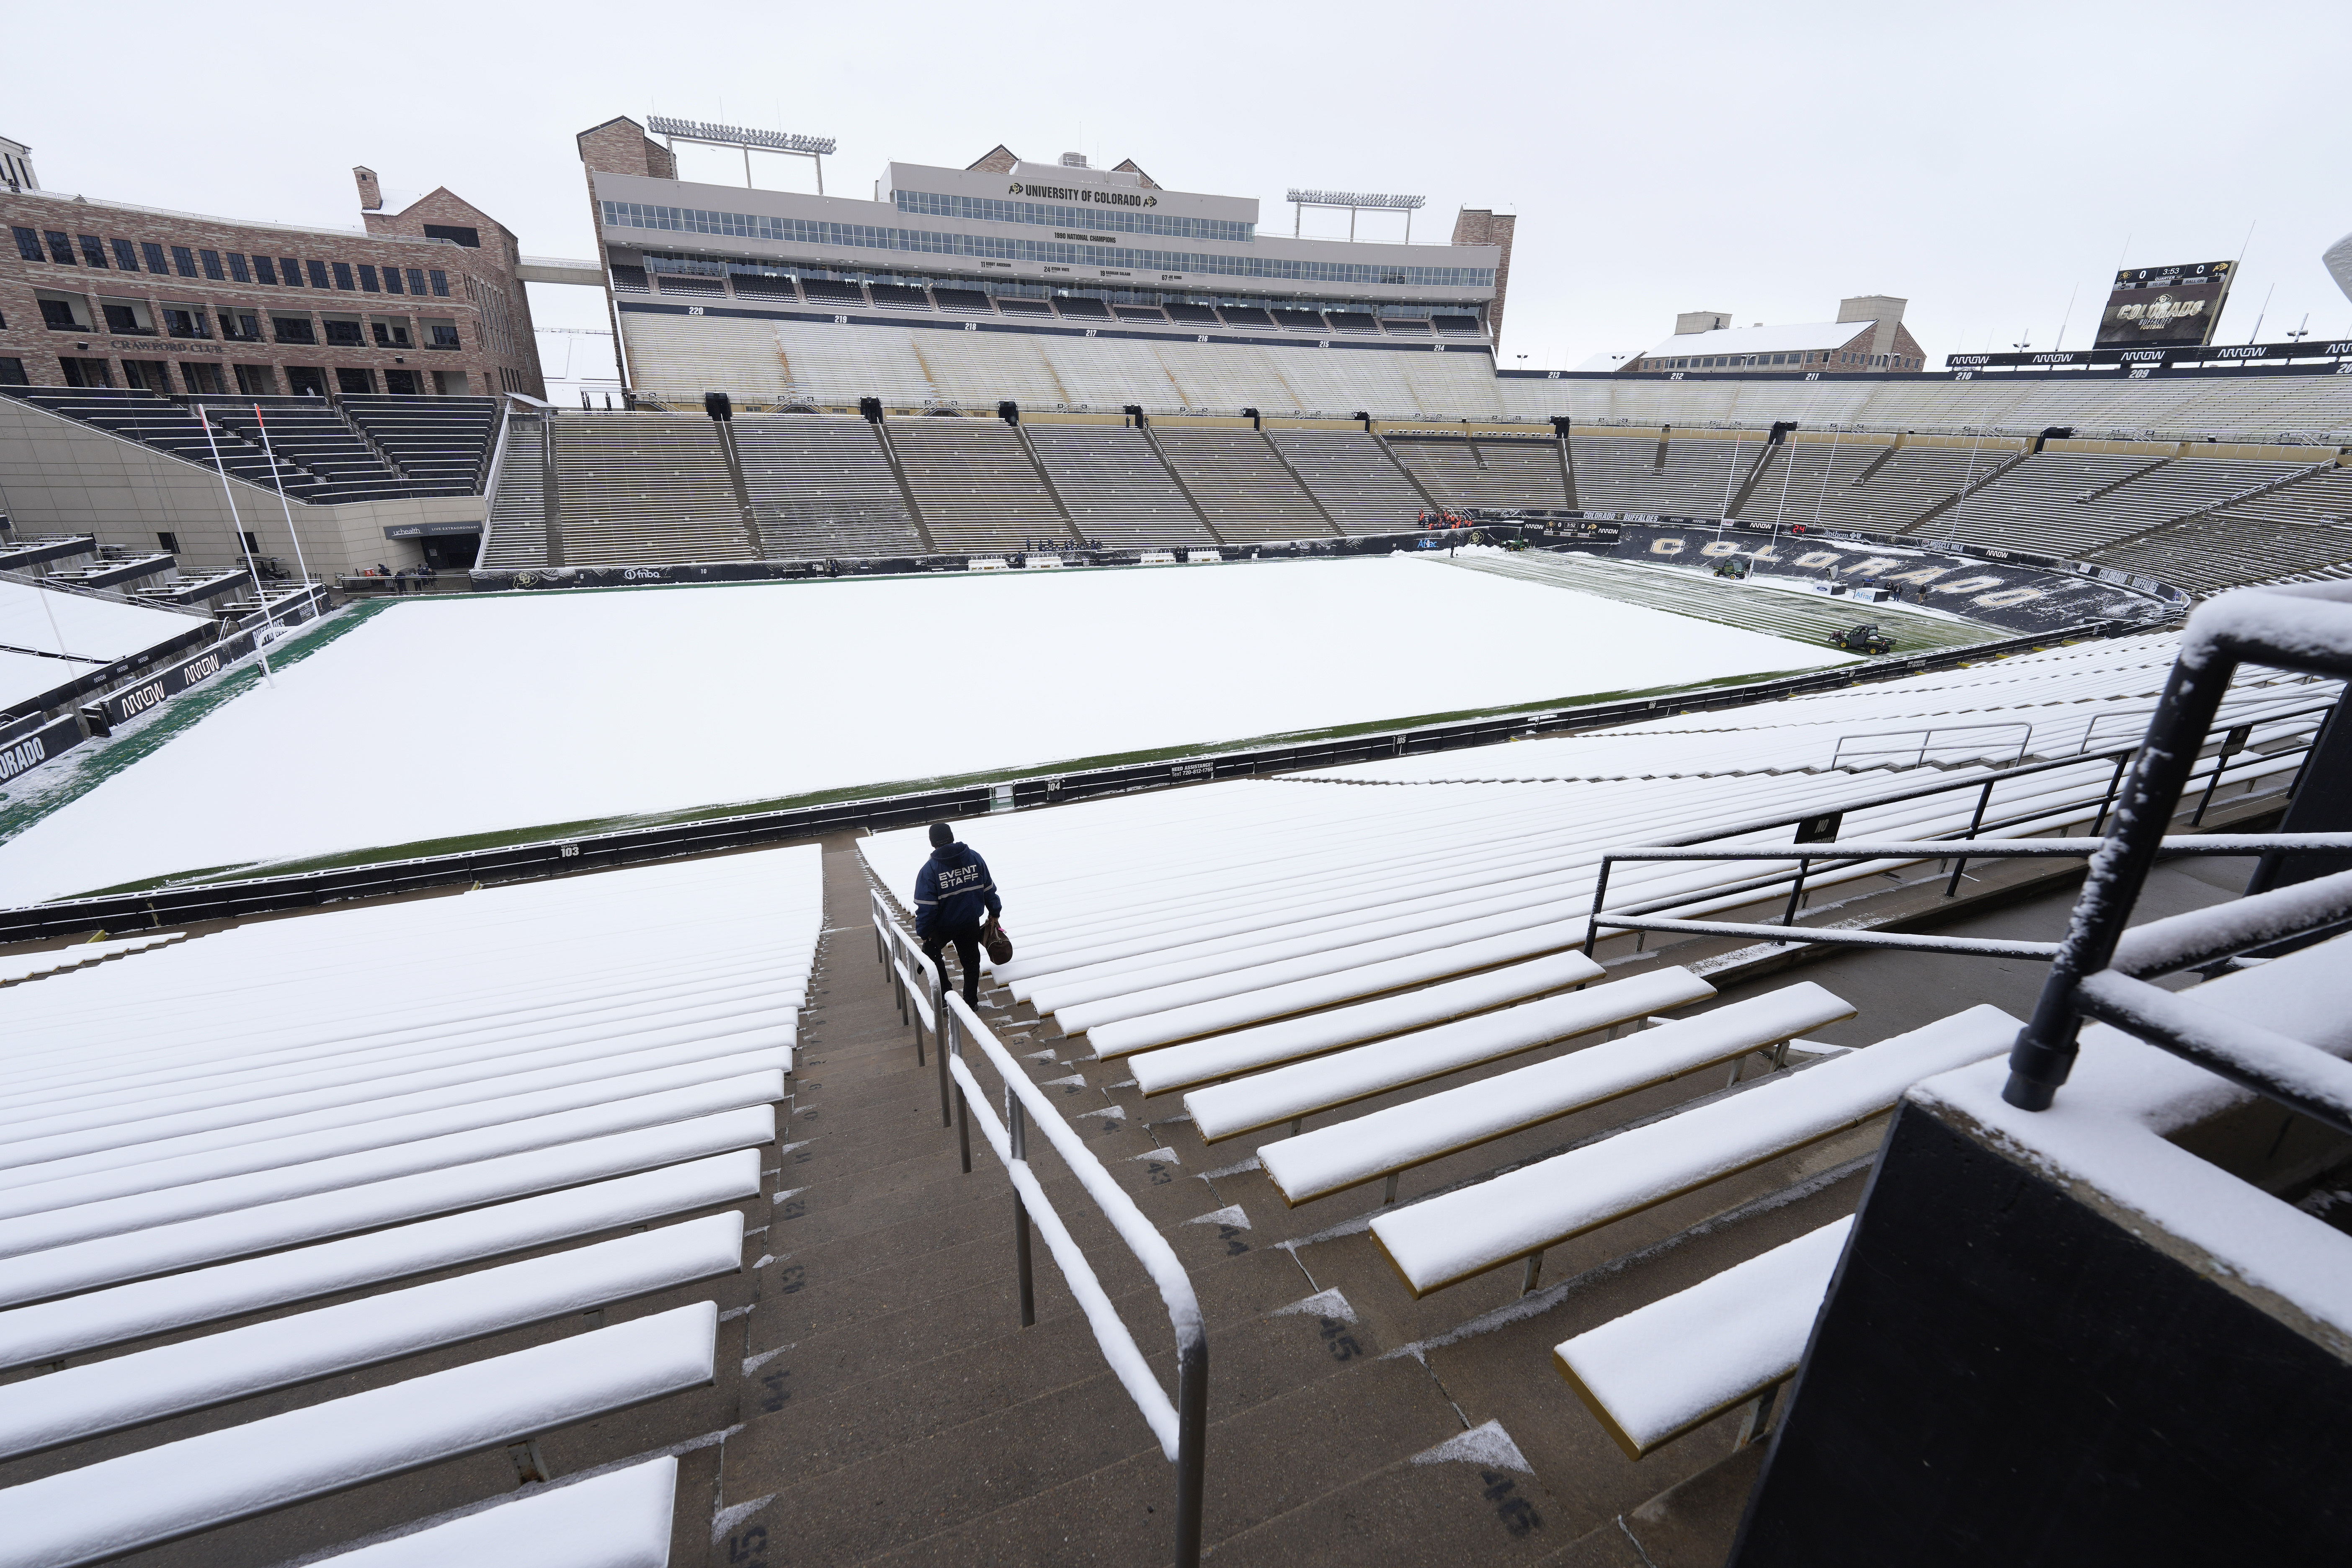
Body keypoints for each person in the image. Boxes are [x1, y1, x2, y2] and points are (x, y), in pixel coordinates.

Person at [914, 822, 1002, 1008]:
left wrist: (924, 932)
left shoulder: (929, 870)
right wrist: (994, 912)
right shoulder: (974, 858)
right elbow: (989, 889)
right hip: (970, 923)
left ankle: (946, 994)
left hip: (943, 926)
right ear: (952, 837)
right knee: (971, 963)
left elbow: (927, 907)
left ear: (932, 843)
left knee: (931, 954)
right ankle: (971, 1003)